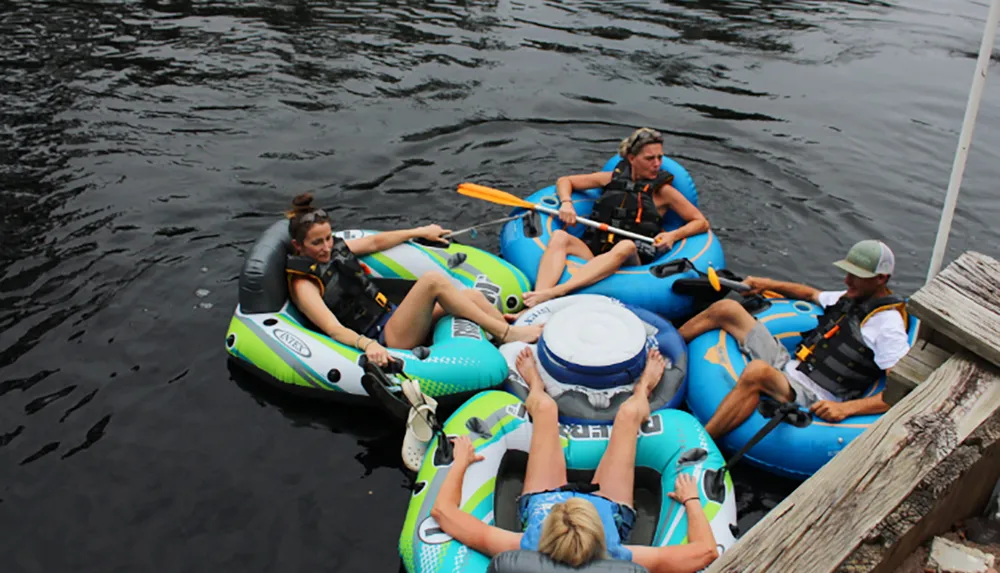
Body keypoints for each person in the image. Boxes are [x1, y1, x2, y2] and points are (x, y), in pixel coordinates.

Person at [430, 347, 719, 573]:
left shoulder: (521, 545)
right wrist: (692, 500)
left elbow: (443, 512)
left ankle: (536, 386)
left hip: (540, 498)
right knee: (628, 417)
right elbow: (705, 551)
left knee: (544, 408)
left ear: (546, 533)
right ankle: (642, 389)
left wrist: (459, 463)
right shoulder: (620, 554)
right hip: (611, 506)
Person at [677, 240, 911, 437]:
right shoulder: (853, 298)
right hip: (791, 365)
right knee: (727, 309)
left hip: (815, 395)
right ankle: (664, 349)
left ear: (881, 279)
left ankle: (701, 443)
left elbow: (902, 392)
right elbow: (810, 294)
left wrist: (847, 409)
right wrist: (766, 284)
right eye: (848, 272)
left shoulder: (888, 326)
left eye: (857, 276)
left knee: (757, 372)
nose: (847, 280)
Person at [284, 193, 542, 367]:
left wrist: (420, 231)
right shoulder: (303, 284)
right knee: (432, 282)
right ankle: (507, 333)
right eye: (316, 242)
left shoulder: (335, 249)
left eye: (328, 238)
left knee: (472, 296)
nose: (326, 247)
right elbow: (332, 328)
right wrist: (368, 345)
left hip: (392, 316)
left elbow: (375, 241)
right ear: (298, 245)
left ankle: (516, 347)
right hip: (385, 337)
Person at [523, 128, 710, 308]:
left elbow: (701, 222)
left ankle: (558, 292)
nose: (657, 164)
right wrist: (566, 203)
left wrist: (673, 235)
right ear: (632, 158)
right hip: (595, 251)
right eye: (649, 158)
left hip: (631, 261)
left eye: (660, 157)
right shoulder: (611, 179)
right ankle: (538, 298)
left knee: (626, 245)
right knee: (559, 237)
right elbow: (565, 180)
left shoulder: (664, 192)